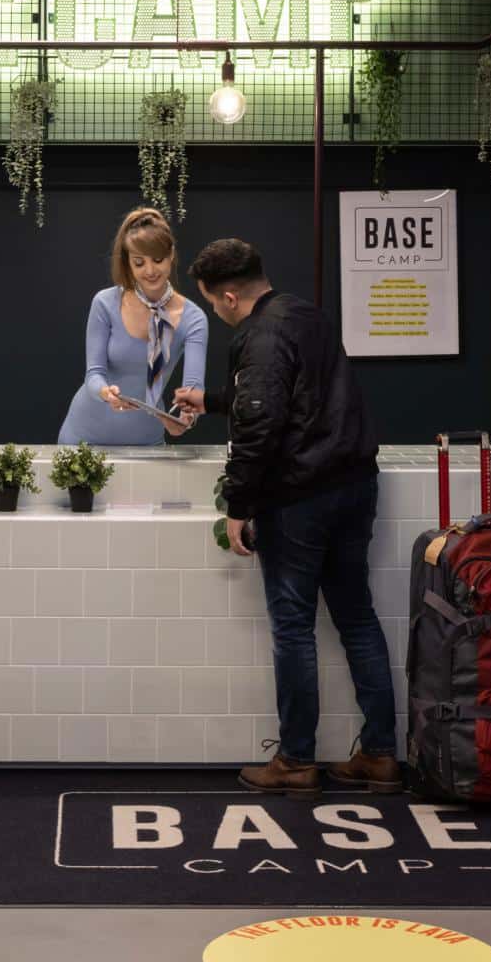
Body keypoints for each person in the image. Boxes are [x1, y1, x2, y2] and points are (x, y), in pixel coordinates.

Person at [173, 238, 397, 796]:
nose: (219, 315)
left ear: (228, 297)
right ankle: (381, 755)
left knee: (293, 626)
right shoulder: (304, 314)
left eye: (214, 304)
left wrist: (237, 506)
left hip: (300, 499)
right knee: (357, 618)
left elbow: (261, 427)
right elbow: (292, 397)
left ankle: (296, 761)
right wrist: (215, 400)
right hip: (355, 486)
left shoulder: (260, 334)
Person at [57, 207, 209, 446]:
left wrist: (187, 417)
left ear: (171, 255)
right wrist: (107, 394)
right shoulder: (105, 303)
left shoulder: (193, 319)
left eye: (157, 260)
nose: (150, 271)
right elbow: (94, 374)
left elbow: (193, 389)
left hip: (146, 440)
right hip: (83, 437)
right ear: (128, 264)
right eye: (139, 263)